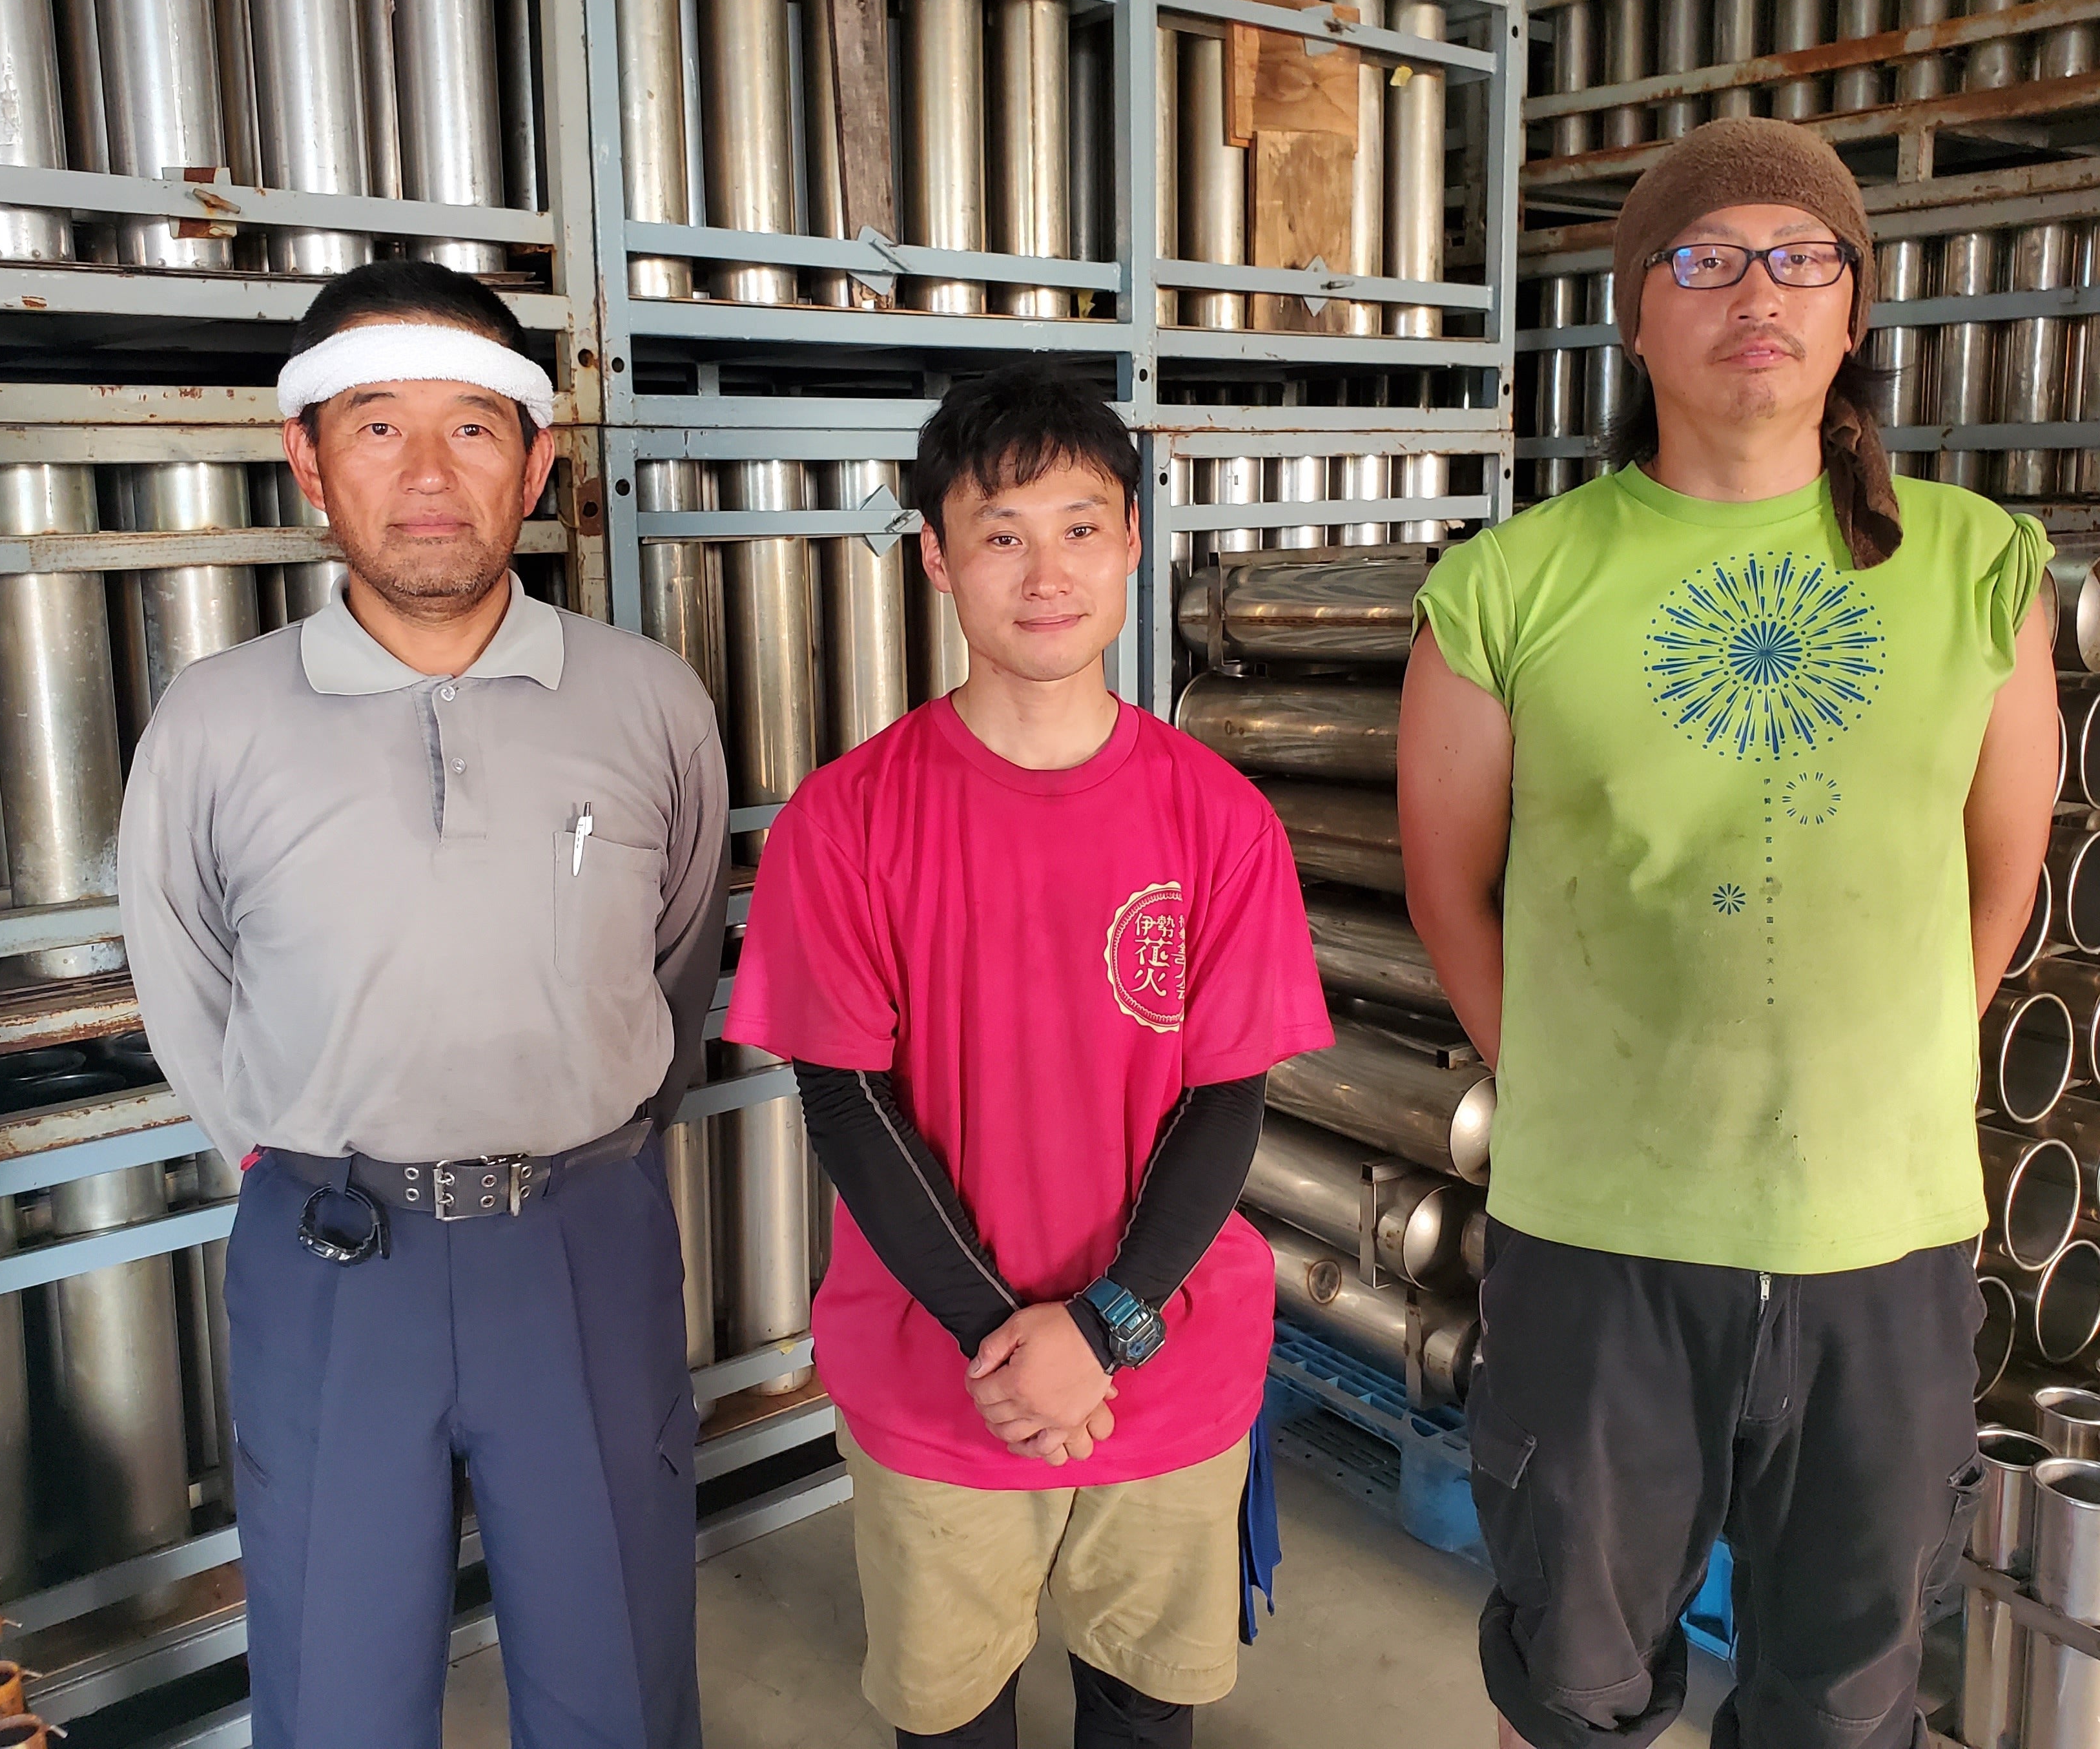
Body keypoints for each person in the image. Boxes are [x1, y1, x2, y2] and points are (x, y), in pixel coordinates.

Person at [1399, 117, 2059, 1749]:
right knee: (1577, 1681)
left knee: (1847, 1690)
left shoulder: (1980, 567)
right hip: (1600, 1239)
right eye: (1702, 260)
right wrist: (1585, 1093)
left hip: (1884, 1237)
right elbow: (1446, 885)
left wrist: (1888, 1078)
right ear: (1636, 315)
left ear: (1853, 310)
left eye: (1800, 258)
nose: (1756, 293)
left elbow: (2001, 869)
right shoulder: (1508, 588)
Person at [118, 260, 727, 1749]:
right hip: (334, 1260)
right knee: (338, 1691)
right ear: (307, 458)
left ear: (539, 458)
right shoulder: (215, 719)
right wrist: (296, 1154)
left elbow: (678, 956)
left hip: (582, 1244)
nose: (431, 477)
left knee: (617, 1679)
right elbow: (185, 982)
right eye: (379, 427)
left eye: (473, 427)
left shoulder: (648, 700)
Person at [721, 362, 1333, 1749]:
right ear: (937, 559)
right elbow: (848, 1104)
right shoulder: (848, 818)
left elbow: (1225, 1099)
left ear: (1132, 545)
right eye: (1000, 533)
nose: (1045, 573)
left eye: (1079, 527)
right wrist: (1007, 1347)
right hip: (937, 1374)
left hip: (1168, 1359)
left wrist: (1104, 1328)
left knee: (1143, 1710)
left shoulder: (1219, 818)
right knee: (952, 1718)